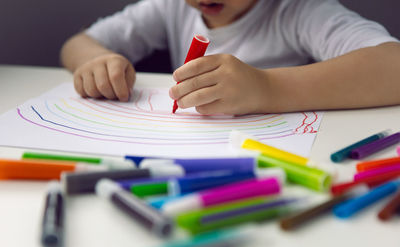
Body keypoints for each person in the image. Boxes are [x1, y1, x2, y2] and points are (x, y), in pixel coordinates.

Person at [60, 0, 400, 115]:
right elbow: (78, 43)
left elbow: (393, 64)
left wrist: (268, 88)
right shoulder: (171, 6)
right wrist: (96, 61)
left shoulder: (297, 10)